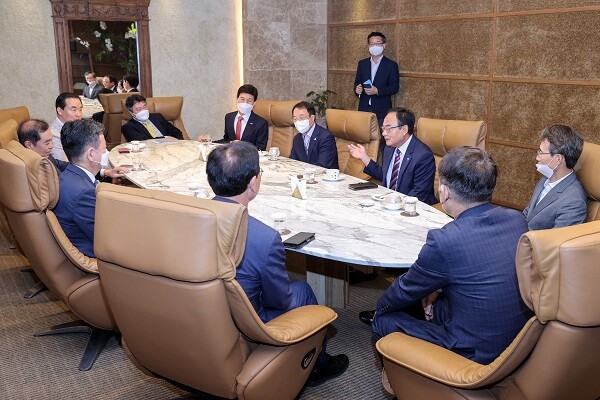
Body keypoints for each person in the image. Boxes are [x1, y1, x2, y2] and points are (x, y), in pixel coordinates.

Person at [365, 147, 531, 365]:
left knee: (384, 321)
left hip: (475, 353)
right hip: (518, 342)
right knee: (431, 300)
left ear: (444, 192)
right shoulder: (517, 220)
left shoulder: (445, 240)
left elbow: (405, 289)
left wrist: (380, 309)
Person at [206, 141, 349, 386]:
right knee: (302, 290)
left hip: (206, 312)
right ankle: (316, 363)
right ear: (253, 183)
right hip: (249, 321)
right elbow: (279, 300)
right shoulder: (265, 238)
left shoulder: (192, 218)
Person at [53, 119, 125, 258]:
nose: (106, 153)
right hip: (98, 259)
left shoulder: (68, 176)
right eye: (104, 149)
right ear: (91, 154)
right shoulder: (84, 193)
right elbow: (108, 239)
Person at [348, 107, 436, 204]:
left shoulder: (423, 156)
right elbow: (386, 175)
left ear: (404, 129)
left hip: (414, 208)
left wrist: (392, 205)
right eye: (383, 128)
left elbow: (419, 194)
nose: (384, 133)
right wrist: (363, 157)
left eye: (388, 128)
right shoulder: (390, 147)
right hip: (390, 203)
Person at [523, 124, 587, 230]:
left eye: (541, 153)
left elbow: (555, 243)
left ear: (558, 159)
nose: (537, 157)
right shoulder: (544, 181)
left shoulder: (574, 202)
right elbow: (527, 215)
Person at [18, 118, 128, 178]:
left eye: (51, 140)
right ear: (29, 145)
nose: (51, 146)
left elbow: (65, 166)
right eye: (46, 143)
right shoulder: (36, 169)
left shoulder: (44, 157)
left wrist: (106, 172)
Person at [354, 32, 399, 124]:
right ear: (368, 46)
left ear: (384, 45)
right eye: (372, 44)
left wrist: (378, 91)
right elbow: (357, 82)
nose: (374, 46)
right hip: (364, 109)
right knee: (363, 137)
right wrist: (357, 90)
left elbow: (395, 87)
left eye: (378, 43)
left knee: (381, 137)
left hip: (381, 110)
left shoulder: (391, 65)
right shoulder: (362, 64)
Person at [216, 84, 268, 150]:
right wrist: (208, 142)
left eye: (249, 100)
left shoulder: (261, 123)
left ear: (254, 103)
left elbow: (261, 148)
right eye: (242, 99)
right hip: (230, 157)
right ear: (237, 99)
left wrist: (241, 146)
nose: (245, 103)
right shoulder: (229, 117)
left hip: (248, 158)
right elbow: (226, 140)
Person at [289, 101, 338, 169]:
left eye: (301, 118)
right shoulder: (297, 138)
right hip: (304, 177)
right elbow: (293, 162)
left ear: (312, 118)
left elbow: (322, 166)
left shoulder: (326, 137)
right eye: (295, 119)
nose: (298, 122)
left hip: (324, 177)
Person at [50, 92, 83, 162]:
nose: (79, 114)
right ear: (60, 111)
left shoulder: (76, 126)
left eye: (80, 109)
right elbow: (63, 164)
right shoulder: (53, 135)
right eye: (74, 110)